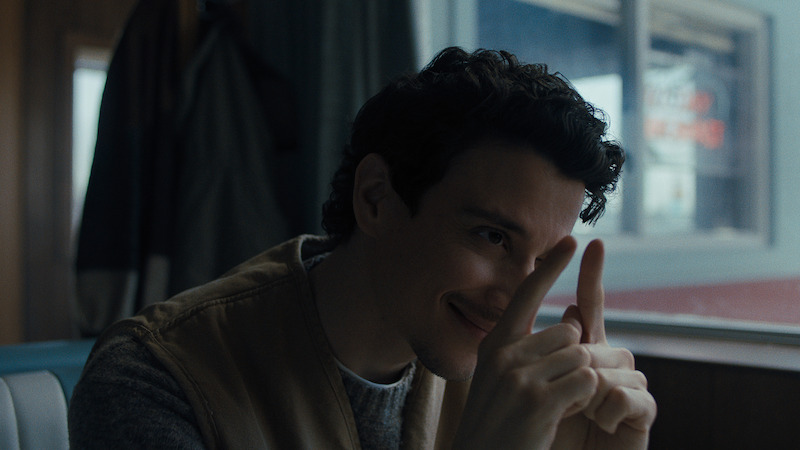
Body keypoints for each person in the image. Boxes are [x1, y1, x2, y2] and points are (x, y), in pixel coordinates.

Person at [68, 47, 656, 449]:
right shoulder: (154, 380)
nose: (514, 297)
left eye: (544, 262)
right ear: (376, 198)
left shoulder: (514, 386)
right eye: (492, 236)